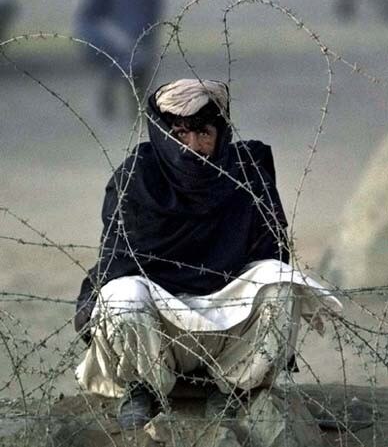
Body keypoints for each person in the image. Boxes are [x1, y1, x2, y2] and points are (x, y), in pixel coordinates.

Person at [74, 79, 342, 429]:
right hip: (159, 326)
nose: (194, 146)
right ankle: (144, 387)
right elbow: (114, 267)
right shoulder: (137, 179)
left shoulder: (246, 175)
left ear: (221, 134)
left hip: (228, 321)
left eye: (205, 133)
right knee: (121, 296)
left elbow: (269, 254)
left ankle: (232, 389)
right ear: (162, 133)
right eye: (181, 133)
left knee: (280, 284)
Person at [75, 0, 162, 117]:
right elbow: (89, 15)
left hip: (138, 38)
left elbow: (152, 9)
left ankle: (138, 113)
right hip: (111, 36)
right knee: (130, 64)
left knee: (138, 69)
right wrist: (114, 36)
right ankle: (117, 103)